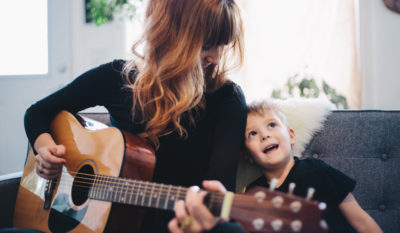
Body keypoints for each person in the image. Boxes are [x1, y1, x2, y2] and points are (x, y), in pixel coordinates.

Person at [23, 0, 246, 232]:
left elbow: (220, 193)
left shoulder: (227, 99)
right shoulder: (118, 78)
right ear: (172, 35)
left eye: (223, 45)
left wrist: (198, 222)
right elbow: (37, 113)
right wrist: (46, 151)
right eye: (207, 45)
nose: (217, 58)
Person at [169, 99, 383, 233]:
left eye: (271, 125)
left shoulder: (317, 170)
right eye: (252, 134)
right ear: (248, 156)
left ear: (291, 136)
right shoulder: (252, 193)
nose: (265, 134)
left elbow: (361, 221)